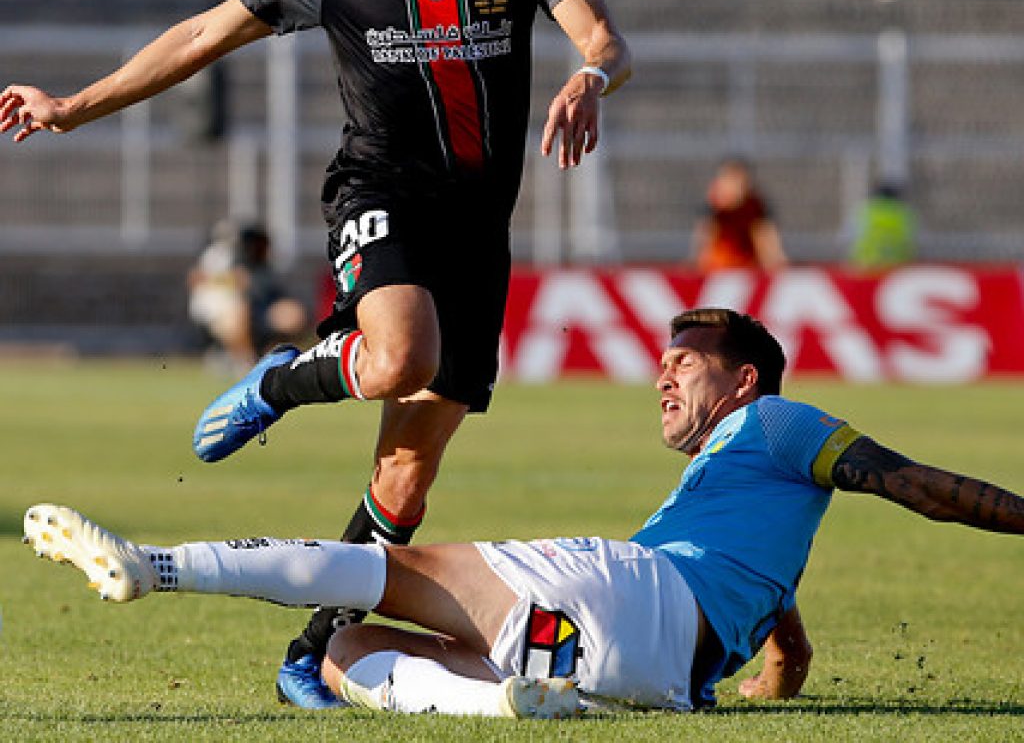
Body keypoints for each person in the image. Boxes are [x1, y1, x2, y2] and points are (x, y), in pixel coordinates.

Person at [0, 0, 631, 709]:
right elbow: (201, 35)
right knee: (397, 354)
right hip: (378, 195)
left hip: (477, 232)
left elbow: (605, 38)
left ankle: (312, 649)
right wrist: (72, 107)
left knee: (407, 480)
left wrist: (592, 77)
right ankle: (286, 376)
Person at [25, 308, 1024, 717]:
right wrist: (770, 678)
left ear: (745, 380)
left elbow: (917, 484)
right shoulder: (747, 505)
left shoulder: (779, 422)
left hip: (626, 591)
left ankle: (155, 567)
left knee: (379, 575)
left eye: (688, 361)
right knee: (345, 649)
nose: (664, 372)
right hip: (653, 673)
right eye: (664, 359)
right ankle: (509, 692)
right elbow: (779, 642)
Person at [188, 221, 309, 370]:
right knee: (239, 313)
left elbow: (275, 298)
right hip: (228, 319)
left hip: (260, 315)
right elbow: (198, 279)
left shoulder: (265, 266)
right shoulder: (226, 261)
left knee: (292, 315)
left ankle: (280, 358)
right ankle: (242, 362)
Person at [691, 158, 786, 272]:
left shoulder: (755, 210)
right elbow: (702, 254)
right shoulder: (713, 212)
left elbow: (771, 251)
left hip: (748, 273)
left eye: (732, 179)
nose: (726, 185)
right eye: (724, 179)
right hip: (719, 273)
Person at [848, 181, 915, 269]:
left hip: (866, 266)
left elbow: (850, 237)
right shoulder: (904, 213)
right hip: (897, 267)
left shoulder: (866, 211)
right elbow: (911, 239)